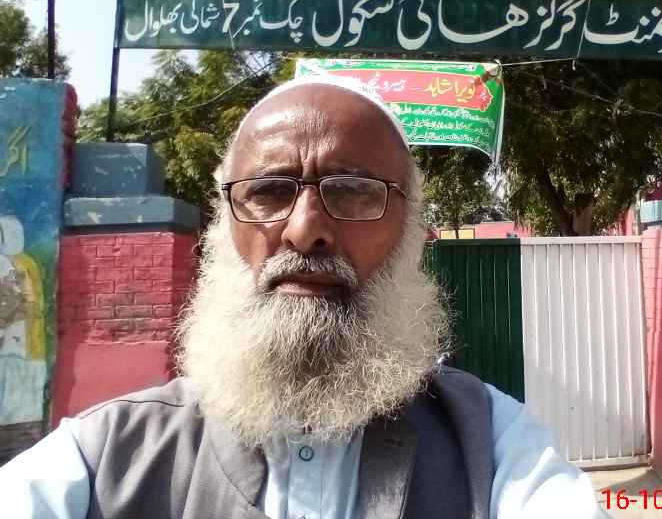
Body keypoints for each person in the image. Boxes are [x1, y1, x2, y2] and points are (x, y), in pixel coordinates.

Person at [0, 75, 607, 518]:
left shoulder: (493, 445)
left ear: (411, 232)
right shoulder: (104, 456)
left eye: (353, 191)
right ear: (225, 227)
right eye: (268, 192)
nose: (305, 229)